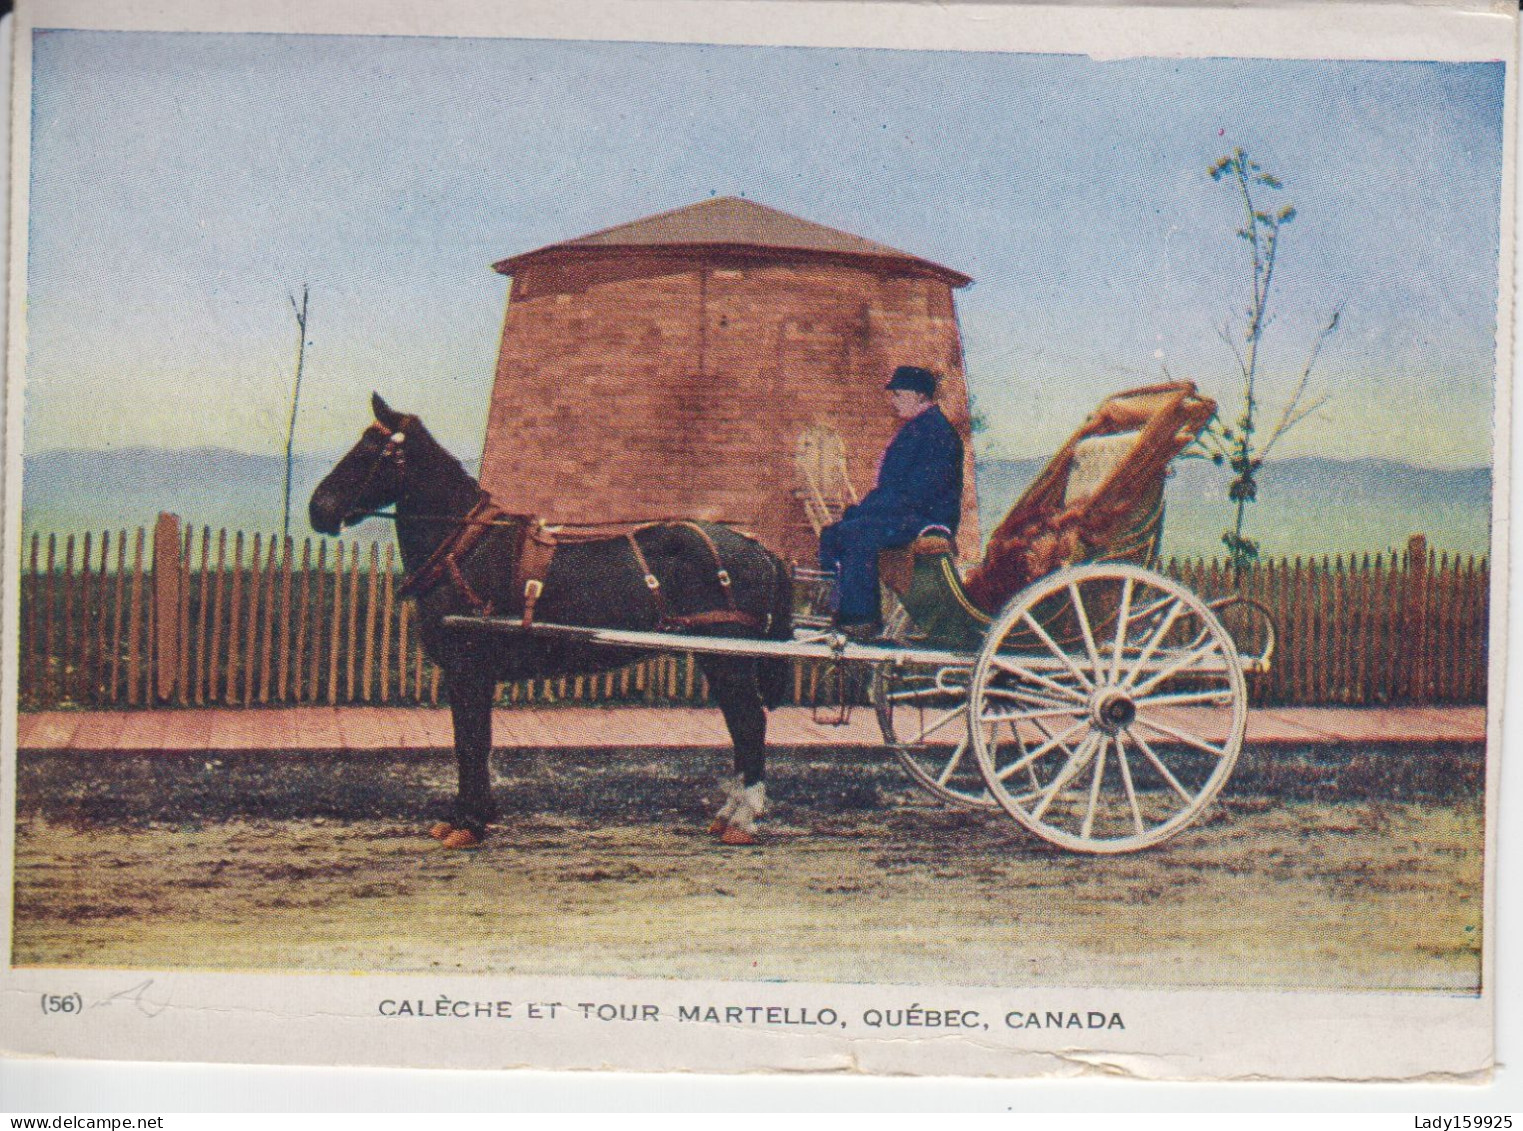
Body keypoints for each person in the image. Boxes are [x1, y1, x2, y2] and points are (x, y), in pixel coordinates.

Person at [819, 365, 964, 638]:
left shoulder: (935, 432)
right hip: (908, 511)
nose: (894, 401)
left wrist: (863, 513)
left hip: (927, 520)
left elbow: (916, 493)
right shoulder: (919, 428)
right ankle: (836, 608)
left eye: (899, 394)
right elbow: (895, 491)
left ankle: (859, 619)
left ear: (921, 397)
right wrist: (863, 511)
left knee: (855, 534)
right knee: (834, 533)